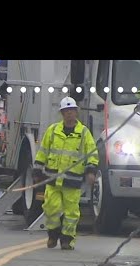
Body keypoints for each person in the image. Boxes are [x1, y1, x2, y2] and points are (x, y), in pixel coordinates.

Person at [34, 96, 98, 250]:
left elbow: (92, 154)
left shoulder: (83, 133)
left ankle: (67, 240)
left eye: (71, 111)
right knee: (50, 208)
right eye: (66, 111)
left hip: (72, 180)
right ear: (62, 113)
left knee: (71, 213)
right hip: (53, 178)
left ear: (76, 112)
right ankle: (53, 233)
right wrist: (37, 168)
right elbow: (43, 150)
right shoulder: (53, 130)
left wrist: (91, 171)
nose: (69, 114)